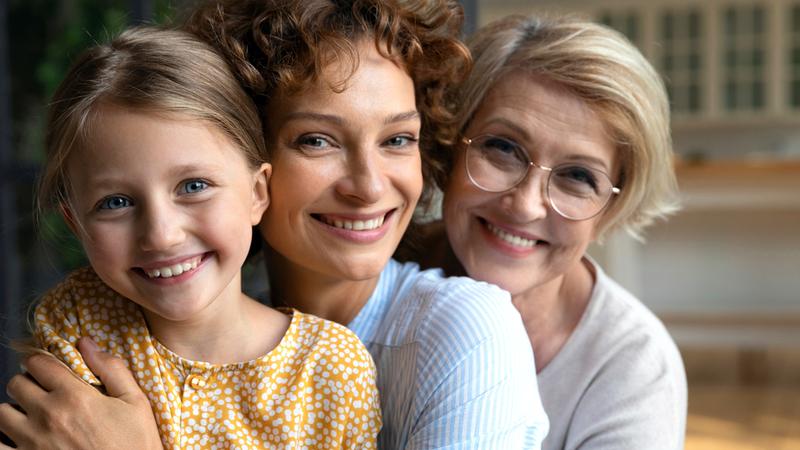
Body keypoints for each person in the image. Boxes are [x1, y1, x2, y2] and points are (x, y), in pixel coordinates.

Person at [0, 2, 548, 449]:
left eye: (397, 139)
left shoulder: (437, 336)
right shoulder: (92, 320)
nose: (370, 185)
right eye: (317, 140)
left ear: (252, 187)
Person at [3, 26, 381, 449]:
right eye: (115, 202)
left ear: (257, 193)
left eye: (194, 186)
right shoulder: (80, 321)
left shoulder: (328, 370)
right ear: (76, 224)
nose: (161, 236)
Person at [405, 15, 688, 450]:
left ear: (611, 207)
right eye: (502, 148)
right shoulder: (377, 267)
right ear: (451, 143)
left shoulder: (632, 367)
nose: (524, 203)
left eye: (577, 176)